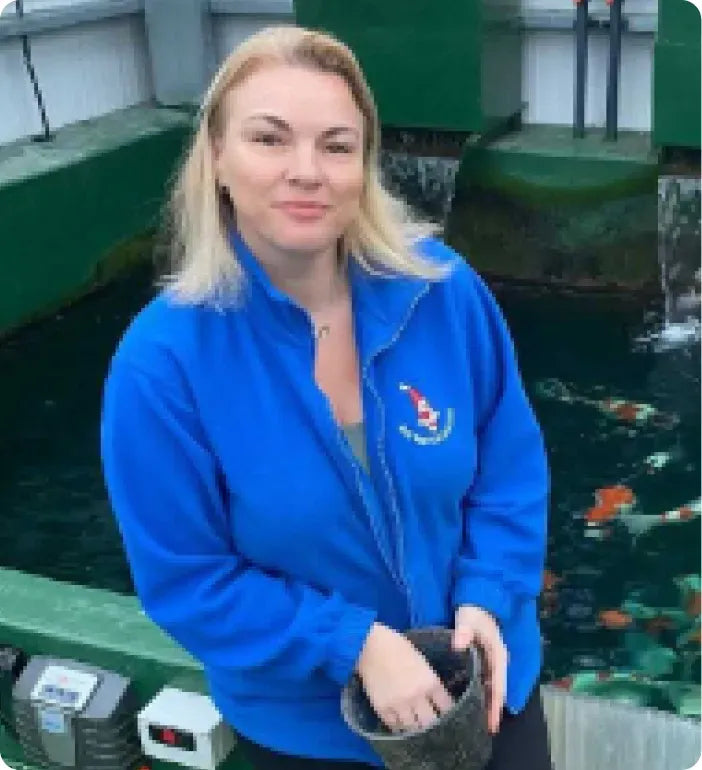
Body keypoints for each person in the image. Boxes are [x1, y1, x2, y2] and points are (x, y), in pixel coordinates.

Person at [100, 25, 552, 770]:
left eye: (337, 145)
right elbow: (187, 579)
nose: (306, 171)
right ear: (216, 156)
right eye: (269, 139)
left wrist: (488, 594)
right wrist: (355, 644)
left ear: (364, 165)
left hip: (489, 690)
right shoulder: (161, 366)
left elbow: (508, 467)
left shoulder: (443, 291)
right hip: (312, 736)